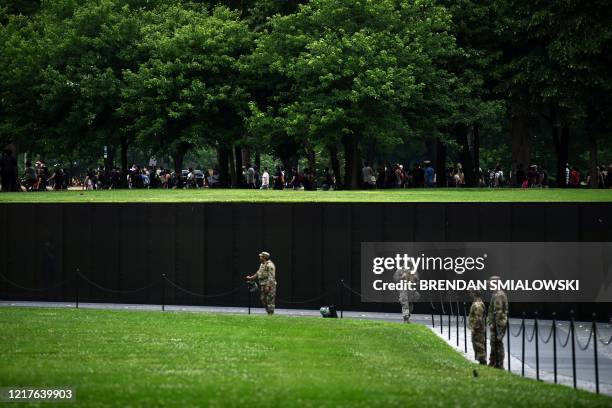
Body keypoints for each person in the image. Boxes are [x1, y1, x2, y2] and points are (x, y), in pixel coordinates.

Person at [488, 276, 508, 368]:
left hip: (498, 324)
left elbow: (498, 312)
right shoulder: (495, 294)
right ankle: (493, 362)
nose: (489, 285)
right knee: (494, 342)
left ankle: (499, 364)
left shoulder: (498, 295)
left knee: (497, 343)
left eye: (490, 283)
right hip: (497, 323)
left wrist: (494, 324)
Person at [468, 290, 487, 365]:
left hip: (478, 330)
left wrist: (474, 328)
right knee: (476, 345)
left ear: (474, 293)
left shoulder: (478, 304)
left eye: (471, 292)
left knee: (479, 345)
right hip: (477, 329)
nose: (470, 294)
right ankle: (481, 361)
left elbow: (478, 318)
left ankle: (482, 362)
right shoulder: (476, 303)